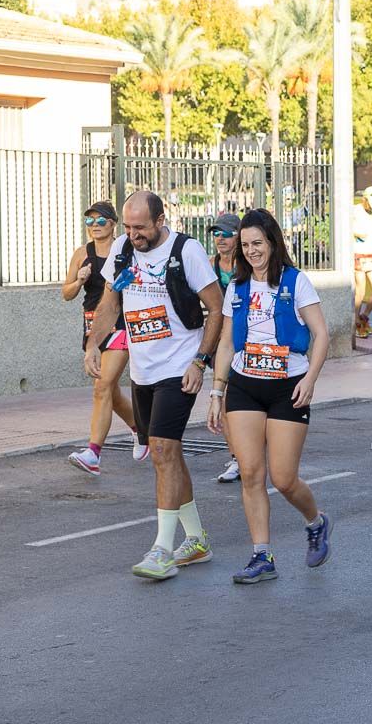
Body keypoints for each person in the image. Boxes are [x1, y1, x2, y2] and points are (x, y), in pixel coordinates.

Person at [84, 191, 223, 580]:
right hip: (142, 371)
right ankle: (196, 539)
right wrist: (93, 344)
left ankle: (162, 549)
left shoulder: (186, 250)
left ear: (161, 220)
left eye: (140, 227)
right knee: (169, 455)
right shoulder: (124, 250)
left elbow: (216, 308)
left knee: (162, 449)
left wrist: (201, 361)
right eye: (128, 227)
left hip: (179, 368)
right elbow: (110, 302)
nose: (133, 234)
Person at [207, 209, 333, 584]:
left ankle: (316, 521)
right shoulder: (237, 286)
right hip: (245, 384)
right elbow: (228, 341)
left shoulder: (296, 282)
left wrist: (311, 378)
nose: (251, 251)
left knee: (283, 478)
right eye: (245, 245)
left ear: (273, 242)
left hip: (287, 386)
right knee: (250, 473)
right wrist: (217, 391)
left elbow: (321, 334)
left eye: (257, 243)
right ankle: (262, 555)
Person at [62, 201, 145, 474]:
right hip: (92, 326)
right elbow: (66, 293)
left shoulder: (125, 250)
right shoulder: (81, 254)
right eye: (90, 221)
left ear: (112, 224)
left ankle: (93, 453)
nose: (95, 226)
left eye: (100, 221)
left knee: (102, 385)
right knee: (110, 389)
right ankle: (139, 429)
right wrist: (80, 280)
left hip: (120, 321)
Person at [208, 213, 244, 484]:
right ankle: (237, 458)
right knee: (226, 401)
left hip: (249, 340)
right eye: (216, 233)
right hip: (221, 343)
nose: (220, 238)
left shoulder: (248, 266)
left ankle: (250, 452)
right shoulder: (209, 266)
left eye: (227, 233)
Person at [353, 187, 372, 339]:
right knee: (360, 292)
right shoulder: (356, 210)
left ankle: (364, 316)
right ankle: (355, 321)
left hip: (371, 253)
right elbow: (348, 229)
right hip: (358, 253)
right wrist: (359, 233)